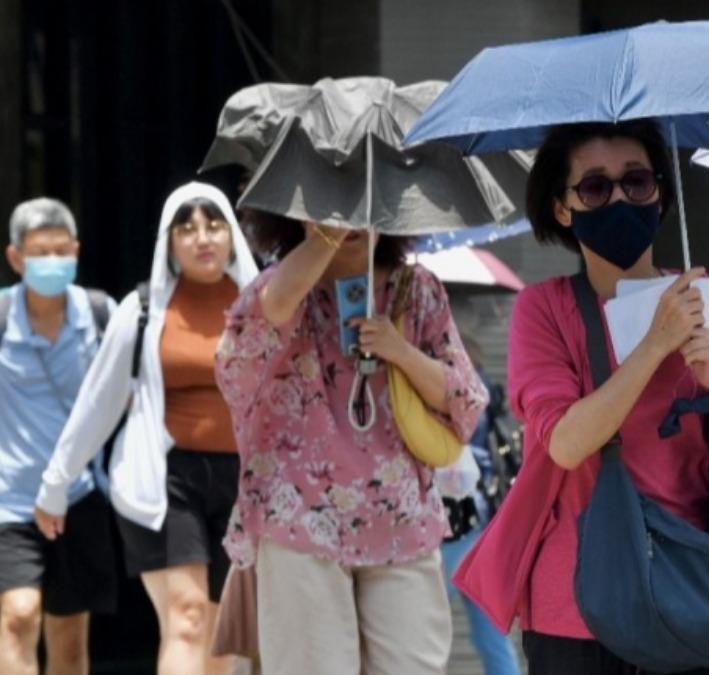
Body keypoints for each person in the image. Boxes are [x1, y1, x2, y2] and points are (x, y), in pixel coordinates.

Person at [452, 120, 709, 675]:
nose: (619, 198)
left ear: (660, 192)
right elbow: (564, 442)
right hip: (580, 602)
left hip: (693, 592)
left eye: (636, 182)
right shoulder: (545, 309)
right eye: (594, 188)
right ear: (563, 208)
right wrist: (655, 344)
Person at [214, 210, 488, 674]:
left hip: (400, 517)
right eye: (324, 202)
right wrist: (325, 238)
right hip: (299, 517)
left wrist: (399, 351)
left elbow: (465, 400)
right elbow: (238, 359)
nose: (350, 214)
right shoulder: (277, 288)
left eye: (364, 202)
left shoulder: (415, 289)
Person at [34, 182, 259, 675]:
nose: (203, 238)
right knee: (187, 617)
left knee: (223, 632)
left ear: (232, 234)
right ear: (169, 241)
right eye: (188, 228)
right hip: (164, 480)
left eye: (214, 225)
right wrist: (56, 484)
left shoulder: (263, 306)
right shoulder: (141, 311)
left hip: (246, 484)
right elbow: (98, 403)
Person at [0, 197, 117, 675]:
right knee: (18, 615)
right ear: (15, 258)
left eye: (59, 251)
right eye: (38, 253)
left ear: (75, 251)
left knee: (69, 636)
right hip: (11, 499)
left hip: (79, 495)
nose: (51, 262)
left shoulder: (101, 314)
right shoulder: (2, 316)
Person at [440, 336, 521, 675]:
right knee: (491, 633)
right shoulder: (488, 391)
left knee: (422, 624)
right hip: (486, 525)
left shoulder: (455, 395)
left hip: (454, 522)